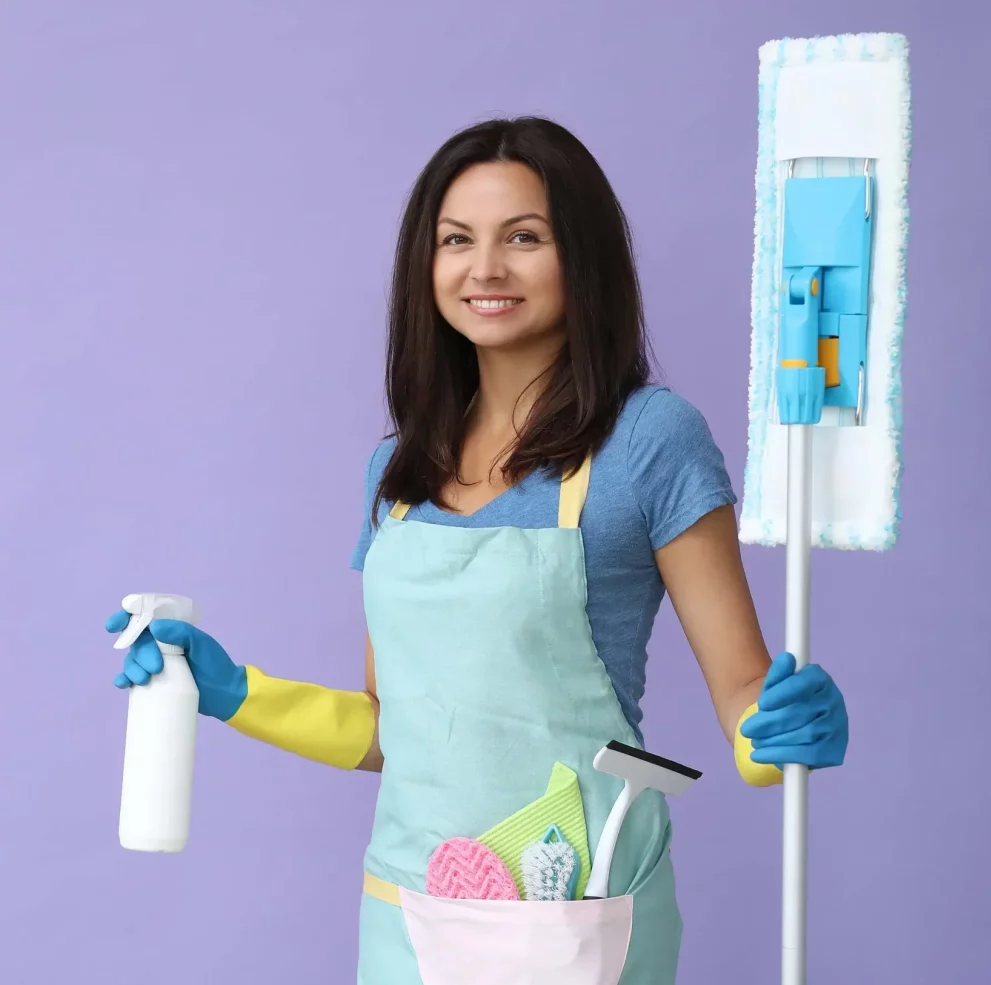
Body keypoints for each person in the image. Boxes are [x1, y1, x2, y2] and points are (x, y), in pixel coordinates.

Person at [106, 116, 848, 984]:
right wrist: (234, 692)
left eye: (524, 238)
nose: (484, 269)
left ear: (584, 256)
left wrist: (781, 734)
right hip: (405, 911)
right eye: (457, 240)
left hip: (579, 910)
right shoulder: (398, 466)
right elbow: (395, 730)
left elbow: (743, 697)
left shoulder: (651, 438)